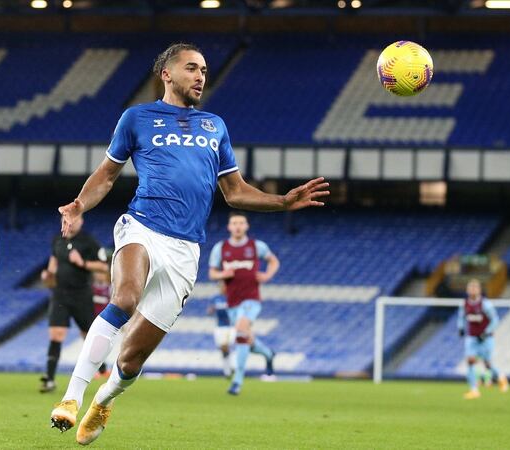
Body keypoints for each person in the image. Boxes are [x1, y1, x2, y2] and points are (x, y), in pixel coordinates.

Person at [48, 42, 329, 445]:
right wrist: (78, 205)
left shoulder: (215, 126)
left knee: (131, 359)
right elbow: (107, 175)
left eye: (204, 70)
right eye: (192, 68)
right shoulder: (137, 118)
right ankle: (71, 398)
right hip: (141, 226)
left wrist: (282, 201)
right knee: (124, 299)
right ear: (167, 73)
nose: (201, 76)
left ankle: (104, 401)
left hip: (186, 251)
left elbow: (234, 192)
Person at [208, 211, 279, 395]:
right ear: (229, 227)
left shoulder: (256, 246)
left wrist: (267, 275)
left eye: (241, 223)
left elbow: (273, 261)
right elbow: (212, 273)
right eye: (234, 223)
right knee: (244, 337)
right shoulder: (221, 248)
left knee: (240, 330)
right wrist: (223, 275)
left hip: (252, 300)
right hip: (232, 302)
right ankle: (268, 354)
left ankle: (237, 381)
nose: (238, 226)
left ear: (246, 226)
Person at [39, 216, 108, 393]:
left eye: (73, 221)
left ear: (81, 222)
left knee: (89, 335)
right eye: (65, 221)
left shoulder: (88, 241)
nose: (69, 224)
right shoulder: (57, 240)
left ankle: (102, 369)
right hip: (60, 294)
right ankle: (49, 379)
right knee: (56, 334)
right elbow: (53, 262)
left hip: (81, 294)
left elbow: (104, 267)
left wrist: (83, 263)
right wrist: (48, 275)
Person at [458, 278, 508, 399]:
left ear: (479, 290)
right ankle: (474, 390)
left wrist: (486, 333)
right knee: (470, 361)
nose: (472, 290)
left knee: (487, 364)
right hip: (472, 338)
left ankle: (501, 377)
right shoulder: (464, 304)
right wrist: (460, 328)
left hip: (486, 338)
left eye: (475, 288)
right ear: (467, 290)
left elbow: (495, 320)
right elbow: (461, 317)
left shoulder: (486, 304)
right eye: (470, 288)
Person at [206, 284, 234, 378]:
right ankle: (228, 370)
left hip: (231, 326)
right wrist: (211, 309)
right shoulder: (216, 298)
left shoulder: (232, 296)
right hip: (220, 327)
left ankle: (229, 369)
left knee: (226, 346)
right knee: (223, 349)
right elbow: (209, 312)